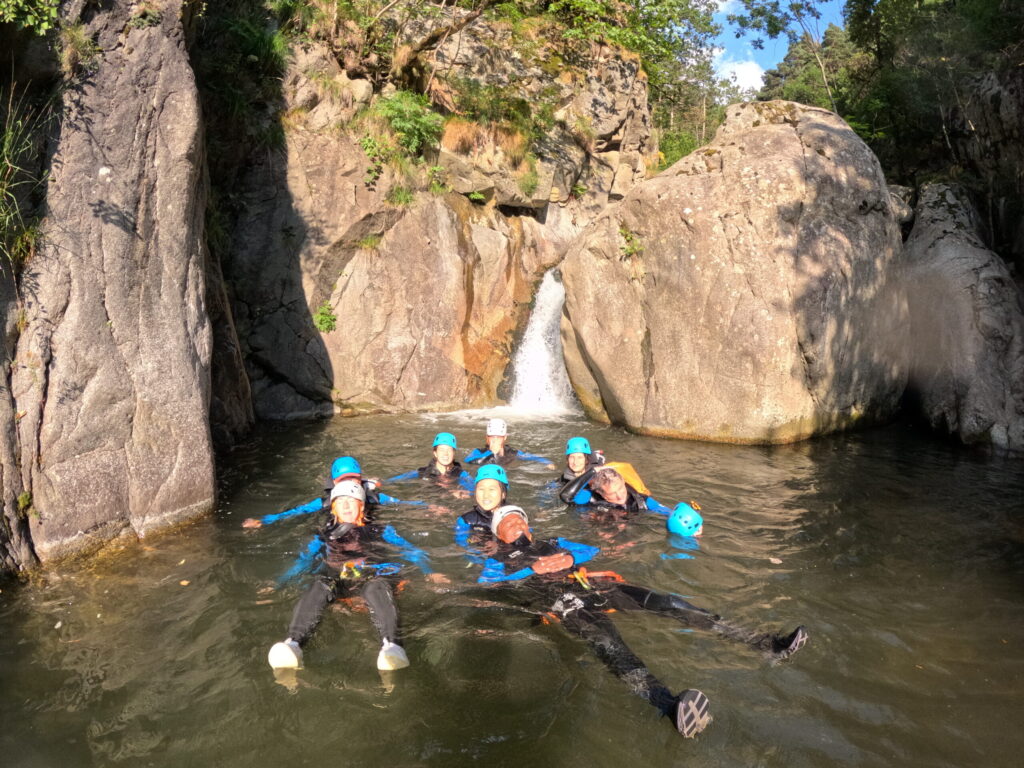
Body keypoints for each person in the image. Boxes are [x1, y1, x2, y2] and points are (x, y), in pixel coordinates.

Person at [475, 505, 808, 739]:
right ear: (498, 535)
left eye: (518, 519)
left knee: (669, 602)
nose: (514, 525)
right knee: (608, 642)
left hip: (595, 584)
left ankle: (763, 643)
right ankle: (666, 704)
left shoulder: (555, 542)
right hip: (561, 602)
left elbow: (591, 549)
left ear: (529, 525)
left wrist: (572, 557)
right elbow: (489, 586)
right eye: (506, 524)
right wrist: (531, 570)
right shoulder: (497, 559)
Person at [267, 480, 446, 671]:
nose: (346, 506)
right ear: (333, 507)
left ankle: (392, 647)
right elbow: (303, 561)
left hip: (372, 578)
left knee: (376, 584)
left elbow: (411, 551)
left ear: (361, 505)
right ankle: (293, 644)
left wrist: (429, 571)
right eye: (340, 501)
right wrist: (279, 583)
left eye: (351, 501)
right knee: (319, 583)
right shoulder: (323, 534)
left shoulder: (381, 529)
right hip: (339, 582)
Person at [243, 455, 424, 528]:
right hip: (337, 527)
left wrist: (427, 507)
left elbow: (401, 503)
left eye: (354, 479)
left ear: (360, 479)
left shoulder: (373, 497)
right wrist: (265, 520)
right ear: (334, 482)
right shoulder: (325, 502)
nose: (350, 484)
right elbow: (297, 511)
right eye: (344, 480)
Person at [559, 464, 673, 517]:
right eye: (612, 494)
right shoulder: (590, 497)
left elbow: (668, 512)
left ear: (623, 481)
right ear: (601, 493)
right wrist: (592, 471)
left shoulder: (640, 500)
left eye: (620, 489)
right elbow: (565, 496)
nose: (620, 496)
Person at [387, 432, 475, 494]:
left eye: (449, 450)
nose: (445, 454)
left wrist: (463, 493)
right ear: (435, 453)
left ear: (454, 453)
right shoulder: (423, 472)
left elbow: (475, 490)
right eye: (441, 450)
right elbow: (395, 480)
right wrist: (379, 482)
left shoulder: (462, 475)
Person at [454, 464, 512, 551]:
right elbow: (461, 544)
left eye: (492, 489)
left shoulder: (515, 518)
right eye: (481, 489)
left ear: (503, 494)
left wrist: (500, 546)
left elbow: (525, 543)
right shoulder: (466, 520)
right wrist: (474, 542)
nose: (486, 495)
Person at [464, 418, 555, 468]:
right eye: (492, 437)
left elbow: (530, 456)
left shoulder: (511, 453)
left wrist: (547, 462)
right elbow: (467, 460)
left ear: (505, 438)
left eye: (498, 437)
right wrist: (490, 453)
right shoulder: (479, 452)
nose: (495, 440)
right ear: (487, 438)